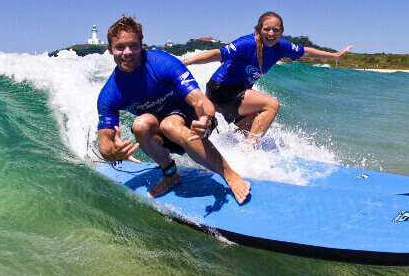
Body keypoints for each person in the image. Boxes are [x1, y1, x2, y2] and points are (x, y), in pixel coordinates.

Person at [97, 15, 250, 204]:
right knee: (140, 124)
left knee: (170, 124)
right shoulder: (110, 92)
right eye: (120, 47)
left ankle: (230, 175)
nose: (127, 52)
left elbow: (200, 100)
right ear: (110, 49)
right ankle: (170, 175)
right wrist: (114, 153)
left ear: (141, 45)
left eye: (133, 45)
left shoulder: (163, 63)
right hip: (161, 136)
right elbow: (104, 144)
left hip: (192, 122)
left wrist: (208, 120)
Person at [182, 11, 352, 149]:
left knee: (250, 133)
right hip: (221, 90)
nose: (271, 33)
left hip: (236, 96)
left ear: (281, 31)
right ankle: (248, 153)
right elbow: (218, 53)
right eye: (267, 29)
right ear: (259, 29)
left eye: (276, 30)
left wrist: (334, 55)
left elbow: (306, 52)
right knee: (271, 105)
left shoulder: (281, 47)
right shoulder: (247, 43)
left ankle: (228, 155)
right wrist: (187, 62)